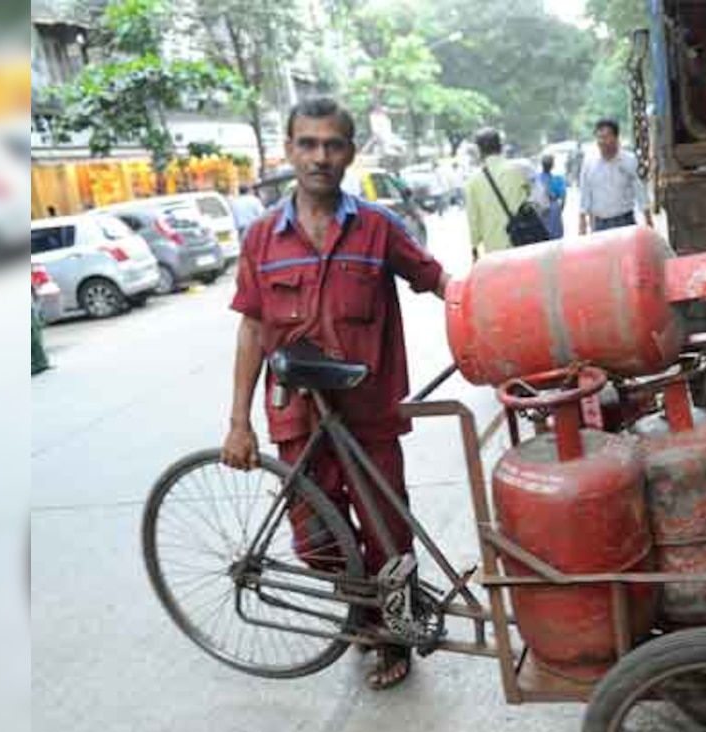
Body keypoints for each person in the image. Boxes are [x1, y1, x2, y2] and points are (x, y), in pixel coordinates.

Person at [221, 97, 451, 690]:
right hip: (298, 414)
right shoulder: (261, 238)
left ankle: (393, 637)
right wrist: (238, 421)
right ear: (289, 150)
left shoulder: (376, 227)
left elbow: (436, 280)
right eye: (308, 144)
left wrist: (497, 305)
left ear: (350, 152)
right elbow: (250, 326)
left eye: (333, 144)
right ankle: (363, 616)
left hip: (369, 411)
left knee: (387, 535)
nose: (320, 157)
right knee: (318, 541)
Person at [464, 127, 531, 260]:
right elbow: (528, 199)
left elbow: (473, 220)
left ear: (479, 151)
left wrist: (474, 247)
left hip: (496, 251)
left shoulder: (472, 182)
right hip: (525, 242)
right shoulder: (518, 170)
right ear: (501, 146)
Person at [578, 118, 653, 235]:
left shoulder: (630, 160)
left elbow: (641, 193)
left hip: (625, 222)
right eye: (599, 137)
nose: (601, 141)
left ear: (616, 138)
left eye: (606, 137)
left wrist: (649, 223)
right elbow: (584, 197)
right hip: (600, 226)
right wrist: (582, 229)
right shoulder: (589, 163)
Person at [532, 154, 567, 240]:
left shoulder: (536, 178)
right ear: (552, 166)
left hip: (541, 209)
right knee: (556, 237)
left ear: (542, 165)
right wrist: (560, 208)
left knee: (542, 237)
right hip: (554, 208)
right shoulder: (558, 179)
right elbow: (563, 197)